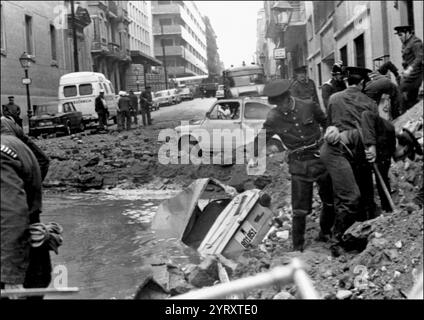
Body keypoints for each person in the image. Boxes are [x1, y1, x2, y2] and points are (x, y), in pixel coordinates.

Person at [252, 79, 335, 251]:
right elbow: (260, 139)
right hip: (298, 164)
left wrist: (331, 132)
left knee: (329, 200)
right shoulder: (274, 117)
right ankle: (298, 247)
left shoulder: (308, 105)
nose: (280, 108)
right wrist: (253, 155)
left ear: (288, 97)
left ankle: (325, 233)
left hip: (320, 158)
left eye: (282, 103)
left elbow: (326, 121)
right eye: (276, 105)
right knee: (299, 209)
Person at [320, 66, 379, 252]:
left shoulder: (334, 98)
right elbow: (372, 132)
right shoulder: (371, 103)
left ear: (347, 81)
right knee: (352, 196)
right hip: (347, 151)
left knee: (344, 195)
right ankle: (338, 241)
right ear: (362, 83)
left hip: (340, 147)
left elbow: (329, 125)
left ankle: (351, 236)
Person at [1, 117, 52, 298]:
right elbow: (42, 160)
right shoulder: (13, 137)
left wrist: (11, 277)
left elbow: (12, 213)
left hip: (12, 264)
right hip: (35, 256)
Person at [340, 111, 423, 213]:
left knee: (365, 193)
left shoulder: (387, 157)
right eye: (404, 157)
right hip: (344, 149)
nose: (401, 160)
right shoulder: (388, 129)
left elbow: (382, 181)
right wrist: (372, 146)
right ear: (405, 148)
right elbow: (366, 115)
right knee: (350, 195)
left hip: (357, 162)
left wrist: (389, 210)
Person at [394, 25, 423, 111]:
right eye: (398, 35)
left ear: (408, 33)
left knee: (400, 90)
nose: (399, 37)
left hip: (415, 75)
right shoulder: (406, 43)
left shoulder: (416, 42)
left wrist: (409, 69)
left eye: (401, 35)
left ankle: (402, 113)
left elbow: (419, 58)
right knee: (411, 98)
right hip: (409, 74)